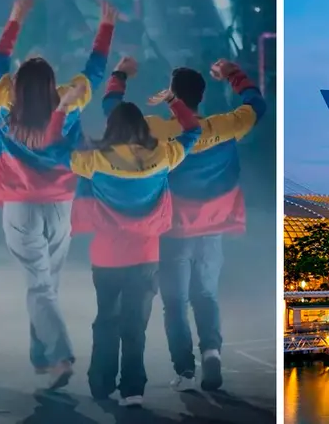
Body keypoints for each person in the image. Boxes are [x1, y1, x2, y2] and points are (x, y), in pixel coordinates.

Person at [0, 0, 117, 389]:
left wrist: (15, 16)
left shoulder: (5, 104)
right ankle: (41, 356)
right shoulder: (70, 103)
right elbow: (94, 72)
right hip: (61, 207)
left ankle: (59, 355)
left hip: (20, 208)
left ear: (18, 86)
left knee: (38, 285)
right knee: (47, 285)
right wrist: (106, 26)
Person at [62, 57, 200, 407]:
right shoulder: (163, 157)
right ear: (143, 129)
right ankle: (133, 389)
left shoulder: (96, 161)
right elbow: (193, 131)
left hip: (106, 257)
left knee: (105, 319)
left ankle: (100, 382)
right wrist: (173, 100)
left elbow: (61, 148)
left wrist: (71, 109)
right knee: (135, 326)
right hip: (145, 255)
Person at [148, 59, 266, 392]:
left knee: (175, 302)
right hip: (213, 229)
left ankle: (185, 371)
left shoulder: (158, 131)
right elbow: (257, 104)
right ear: (201, 96)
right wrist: (231, 73)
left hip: (172, 232)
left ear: (174, 96)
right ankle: (212, 352)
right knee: (206, 294)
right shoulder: (224, 126)